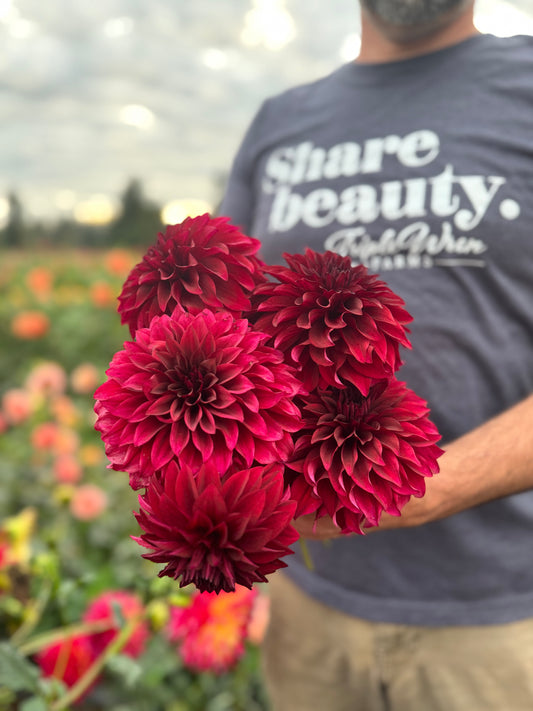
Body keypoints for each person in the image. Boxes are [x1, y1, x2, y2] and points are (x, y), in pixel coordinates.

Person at [220, 1, 533, 709]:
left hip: (501, 622)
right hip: (306, 601)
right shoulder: (278, 121)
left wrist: (436, 482)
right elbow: (216, 323)